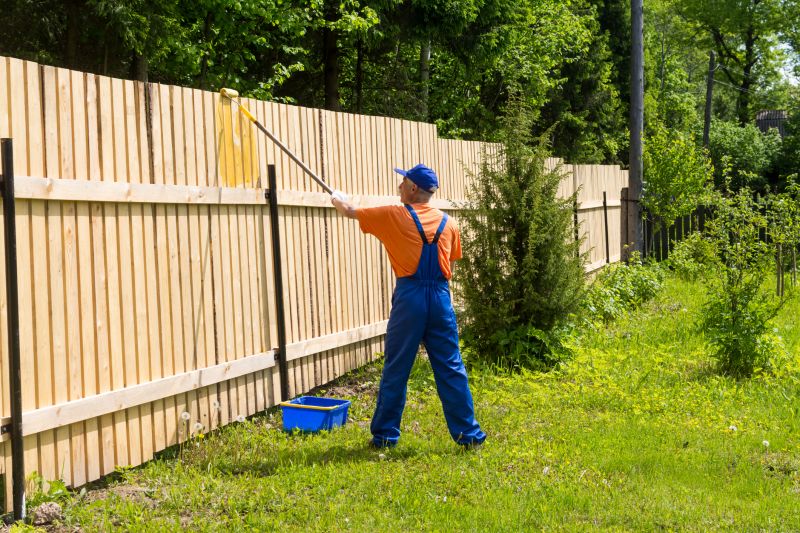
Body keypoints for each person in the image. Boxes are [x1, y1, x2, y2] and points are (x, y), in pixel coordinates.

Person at [330, 164, 486, 449]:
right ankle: (469, 436)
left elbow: (349, 211)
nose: (399, 186)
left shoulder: (395, 215)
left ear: (414, 188)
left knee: (397, 367)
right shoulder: (449, 224)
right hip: (440, 298)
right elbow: (450, 267)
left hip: (410, 299)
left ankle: (385, 436)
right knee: (451, 367)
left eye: (403, 182)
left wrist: (337, 198)